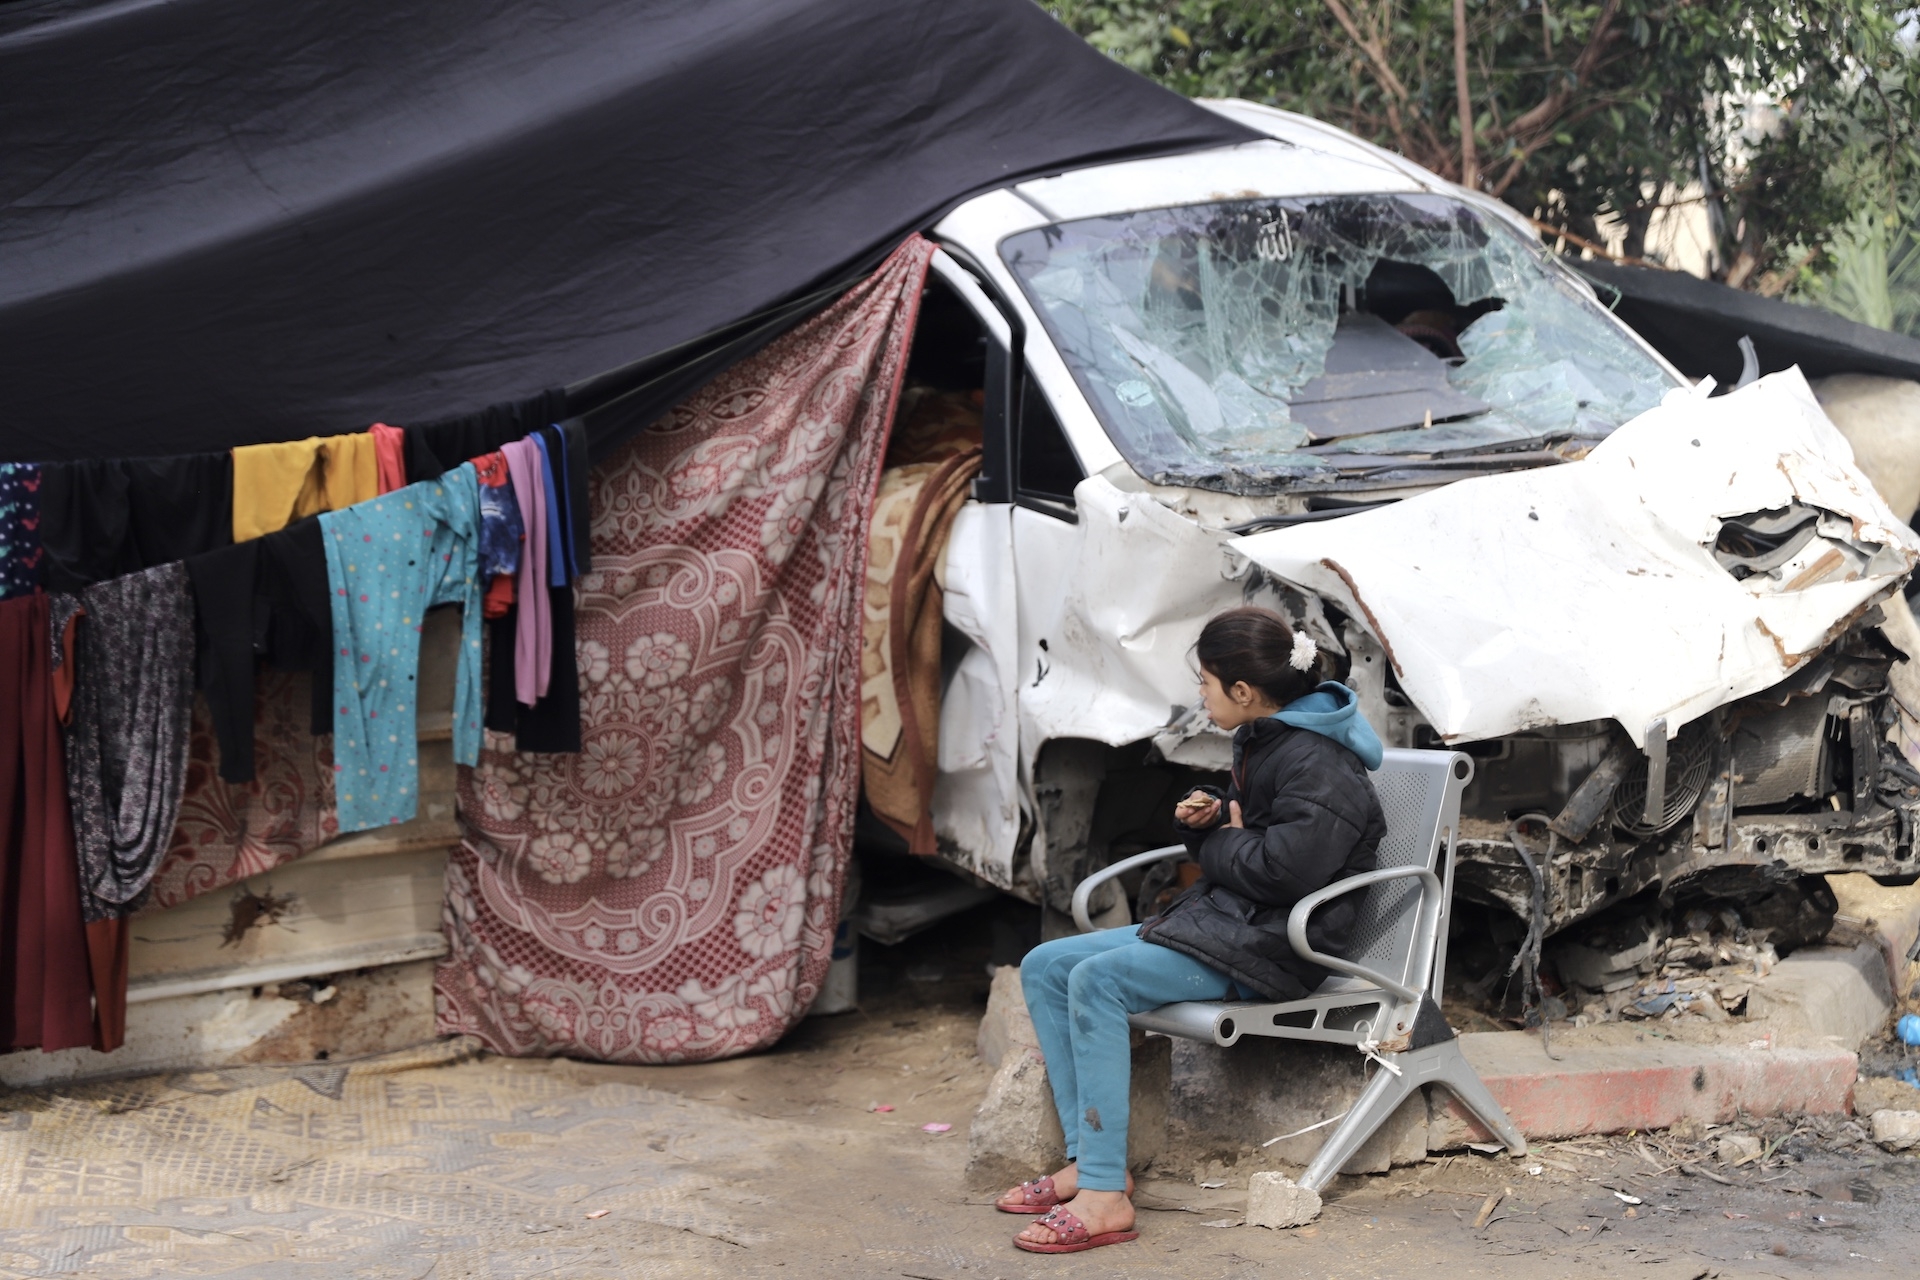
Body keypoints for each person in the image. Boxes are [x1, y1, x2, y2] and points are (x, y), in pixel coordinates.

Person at [997, 606, 1386, 1254]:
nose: (1197, 696)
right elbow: (1255, 833)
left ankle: (1102, 1199)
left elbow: (1284, 872)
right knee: (1046, 966)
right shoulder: (1272, 737)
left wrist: (1215, 843)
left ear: (1242, 692)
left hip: (1277, 946)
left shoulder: (1320, 764)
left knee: (1097, 981)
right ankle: (1092, 1161)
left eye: (1204, 683)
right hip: (1233, 924)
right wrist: (1210, 818)